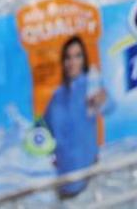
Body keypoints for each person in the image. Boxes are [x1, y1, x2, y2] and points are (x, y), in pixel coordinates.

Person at [42, 36, 105, 197]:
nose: (72, 62)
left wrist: (102, 100)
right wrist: (51, 154)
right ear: (63, 62)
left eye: (78, 56)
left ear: (84, 59)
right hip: (64, 178)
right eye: (68, 57)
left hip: (89, 175)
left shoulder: (90, 85)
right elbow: (44, 129)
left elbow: (109, 105)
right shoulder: (57, 95)